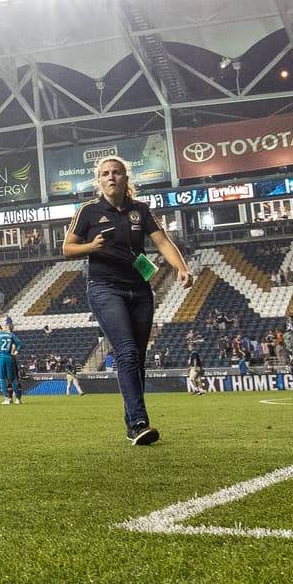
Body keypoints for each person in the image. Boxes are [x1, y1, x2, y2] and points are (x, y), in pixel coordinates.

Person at [64, 156, 193, 446]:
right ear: (98, 181)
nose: (111, 177)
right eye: (105, 174)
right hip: (104, 288)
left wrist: (181, 268)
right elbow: (67, 248)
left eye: (116, 173)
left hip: (139, 290)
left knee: (138, 357)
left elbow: (162, 242)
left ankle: (131, 423)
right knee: (126, 352)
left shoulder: (141, 211)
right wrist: (91, 246)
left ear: (125, 178)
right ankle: (138, 423)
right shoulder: (88, 211)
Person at [0, 323, 23, 404]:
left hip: (1, 358)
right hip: (9, 357)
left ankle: (7, 399)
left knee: (3, 379)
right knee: (13, 379)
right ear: (1, 328)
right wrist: (16, 352)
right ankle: (18, 399)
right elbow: (20, 343)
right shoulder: (10, 334)